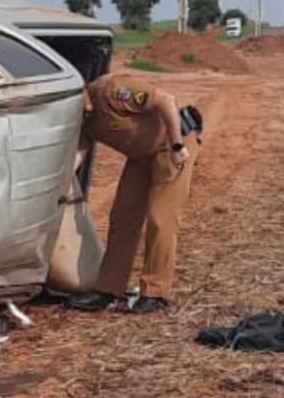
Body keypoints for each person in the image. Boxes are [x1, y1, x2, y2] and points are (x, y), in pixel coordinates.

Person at [67, 72, 203, 314]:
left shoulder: (113, 90)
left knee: (161, 219)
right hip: (140, 156)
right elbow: (82, 146)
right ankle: (108, 289)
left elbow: (166, 101)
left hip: (170, 146)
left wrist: (177, 145)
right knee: (123, 217)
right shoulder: (81, 117)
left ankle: (156, 292)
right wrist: (63, 178)